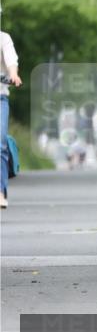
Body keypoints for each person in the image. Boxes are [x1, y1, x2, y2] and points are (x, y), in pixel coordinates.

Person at [1, 22, 22, 209]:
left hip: (0, 98)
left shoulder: (4, 38)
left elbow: (11, 61)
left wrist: (13, 75)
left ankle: (0, 191)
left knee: (0, 143)